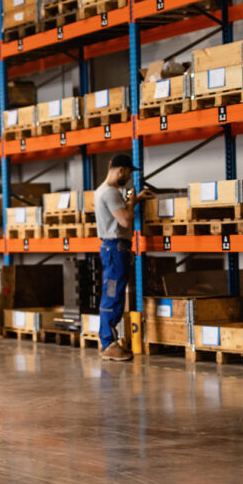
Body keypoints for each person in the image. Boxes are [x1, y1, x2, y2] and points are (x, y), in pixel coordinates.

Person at [94, 154, 153, 361]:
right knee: (113, 294)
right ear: (121, 170)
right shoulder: (110, 193)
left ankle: (108, 341)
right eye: (128, 172)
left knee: (113, 293)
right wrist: (131, 202)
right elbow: (126, 220)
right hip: (115, 250)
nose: (128, 177)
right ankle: (109, 342)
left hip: (112, 249)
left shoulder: (102, 190)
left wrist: (134, 200)